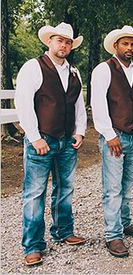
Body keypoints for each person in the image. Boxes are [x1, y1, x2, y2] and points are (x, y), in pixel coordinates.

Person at [15, 22, 87, 266]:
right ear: (50, 42)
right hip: (42, 139)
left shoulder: (74, 72)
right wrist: (34, 137)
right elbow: (23, 103)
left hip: (67, 140)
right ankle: (33, 245)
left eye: (68, 42)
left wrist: (80, 132)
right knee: (35, 193)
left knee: (65, 189)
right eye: (60, 40)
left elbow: (78, 104)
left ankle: (63, 231)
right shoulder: (34, 67)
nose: (64, 45)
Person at [91, 25, 133, 258]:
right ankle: (113, 235)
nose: (130, 47)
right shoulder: (103, 70)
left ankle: (125, 223)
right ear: (115, 46)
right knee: (113, 188)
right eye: (125, 43)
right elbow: (99, 105)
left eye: (132, 43)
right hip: (114, 136)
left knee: (127, 186)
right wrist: (109, 134)